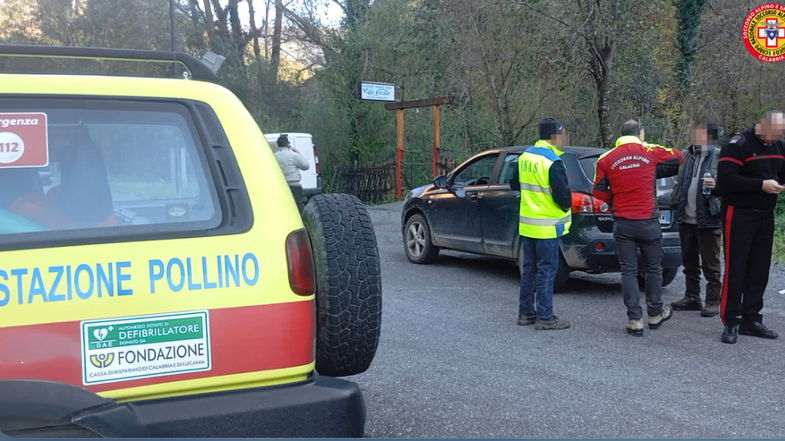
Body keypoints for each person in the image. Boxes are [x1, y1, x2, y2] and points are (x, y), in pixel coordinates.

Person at [593, 119, 684, 336]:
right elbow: (678, 156)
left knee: (628, 271)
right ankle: (654, 313)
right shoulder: (649, 150)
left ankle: (634, 320)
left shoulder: (606, 158)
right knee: (653, 268)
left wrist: (613, 198)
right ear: (640, 133)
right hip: (648, 221)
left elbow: (598, 191)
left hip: (623, 222)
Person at [717, 110, 785, 344]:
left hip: (766, 215)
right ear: (761, 125)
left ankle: (752, 318)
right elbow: (726, 180)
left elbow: (781, 174)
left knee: (759, 269)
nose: (775, 139)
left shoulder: (778, 146)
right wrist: (760, 185)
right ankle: (731, 320)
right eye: (773, 134)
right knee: (737, 267)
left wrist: (778, 185)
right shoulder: (738, 145)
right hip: (738, 213)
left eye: (780, 134)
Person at [517, 117, 572, 330]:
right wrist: (567, 207)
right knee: (547, 271)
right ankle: (545, 316)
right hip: (547, 226)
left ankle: (526, 313)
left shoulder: (525, 156)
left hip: (528, 224)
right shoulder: (552, 161)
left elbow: (515, 183)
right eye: (563, 134)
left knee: (529, 270)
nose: (564, 138)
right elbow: (562, 195)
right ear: (554, 136)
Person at [670, 122, 723, 317]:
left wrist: (717, 184)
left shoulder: (719, 156)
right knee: (689, 261)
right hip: (686, 216)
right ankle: (692, 297)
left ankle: (712, 301)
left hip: (709, 217)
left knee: (711, 263)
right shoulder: (686, 155)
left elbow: (730, 182)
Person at [274, 134, 309, 210]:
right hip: (294, 186)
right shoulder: (293, 155)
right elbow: (306, 166)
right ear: (288, 144)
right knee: (299, 207)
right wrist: (298, 153)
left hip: (281, 186)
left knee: (284, 207)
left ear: (278, 145)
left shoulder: (274, 156)